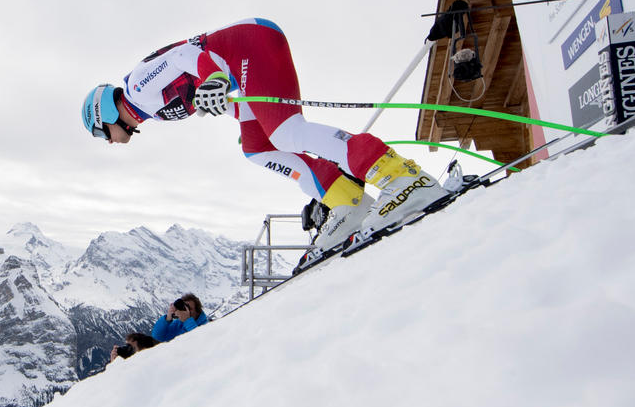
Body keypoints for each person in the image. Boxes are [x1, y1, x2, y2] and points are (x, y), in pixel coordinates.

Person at [82, 18, 448, 252]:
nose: (110, 142)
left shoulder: (136, 90)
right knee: (258, 147)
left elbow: (183, 56)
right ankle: (348, 203)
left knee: (288, 132)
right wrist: (246, 116)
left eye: (103, 134)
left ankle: (401, 176)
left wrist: (214, 77)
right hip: (238, 69)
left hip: (249, 45)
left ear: (106, 113)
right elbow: (220, 102)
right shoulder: (152, 111)